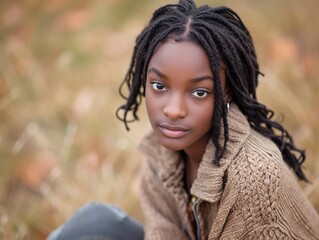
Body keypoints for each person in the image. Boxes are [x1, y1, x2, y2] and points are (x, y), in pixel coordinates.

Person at [48, 0, 319, 239]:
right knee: (96, 221)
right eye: (159, 86)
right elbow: (162, 231)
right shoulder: (158, 151)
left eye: (199, 92)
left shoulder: (255, 177)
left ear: (226, 92)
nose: (173, 110)